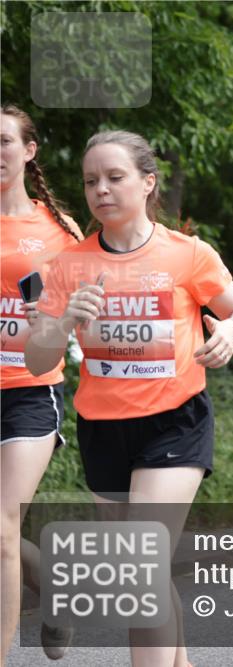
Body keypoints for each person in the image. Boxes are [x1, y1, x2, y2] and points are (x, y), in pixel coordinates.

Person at [26, 130, 233, 667]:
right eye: (91, 181)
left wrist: (230, 331)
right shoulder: (69, 265)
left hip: (174, 421)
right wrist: (61, 322)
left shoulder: (186, 254)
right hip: (104, 429)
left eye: (115, 177)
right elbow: (37, 361)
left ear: (148, 182)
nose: (101, 190)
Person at [1, 104, 83, 663]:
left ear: (29, 151)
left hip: (31, 391)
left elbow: (91, 311)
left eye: (3, 141)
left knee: (1, 525)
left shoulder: (60, 230)